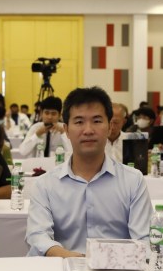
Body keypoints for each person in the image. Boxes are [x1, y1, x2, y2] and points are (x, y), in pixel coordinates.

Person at [26, 86, 153, 257]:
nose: (88, 130)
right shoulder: (45, 184)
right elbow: (38, 237)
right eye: (79, 122)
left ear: (110, 127)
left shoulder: (133, 180)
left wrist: (102, 261)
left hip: (120, 270)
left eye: (97, 121)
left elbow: (145, 239)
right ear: (66, 130)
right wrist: (77, 260)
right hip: (62, 266)